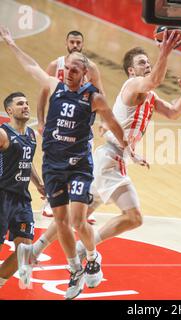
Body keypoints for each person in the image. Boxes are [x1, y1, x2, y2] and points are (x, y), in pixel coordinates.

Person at [15, 30, 181, 289]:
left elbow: (174, 113)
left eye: (148, 61)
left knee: (78, 217)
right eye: (141, 62)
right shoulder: (134, 86)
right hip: (108, 160)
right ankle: (83, 249)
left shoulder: (150, 97)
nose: (146, 64)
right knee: (130, 216)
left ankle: (37, 250)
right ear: (131, 72)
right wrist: (164, 52)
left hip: (112, 160)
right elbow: (154, 79)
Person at [0, 26, 146, 300]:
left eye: (74, 70)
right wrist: (10, 43)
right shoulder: (56, 87)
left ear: (85, 74)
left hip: (79, 165)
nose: (68, 73)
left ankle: (91, 257)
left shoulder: (94, 97)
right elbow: (32, 67)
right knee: (61, 221)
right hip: (53, 166)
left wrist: (130, 151)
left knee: (78, 220)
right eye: (66, 68)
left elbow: (114, 126)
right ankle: (75, 269)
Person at [39, 30, 104, 223]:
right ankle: (50, 201)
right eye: (72, 42)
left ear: (82, 44)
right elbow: (43, 94)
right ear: (66, 43)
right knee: (55, 162)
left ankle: (78, 206)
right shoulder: (55, 65)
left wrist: (105, 120)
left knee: (81, 163)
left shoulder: (90, 67)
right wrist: (41, 121)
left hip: (82, 123)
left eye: (78, 42)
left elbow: (101, 93)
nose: (75, 45)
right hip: (58, 122)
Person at [0, 92, 44, 288]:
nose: (26, 106)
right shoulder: (3, 134)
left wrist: (38, 184)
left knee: (25, 249)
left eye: (27, 103)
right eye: (20, 104)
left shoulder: (31, 135)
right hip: (2, 196)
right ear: (9, 110)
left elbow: (26, 162)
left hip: (21, 198)